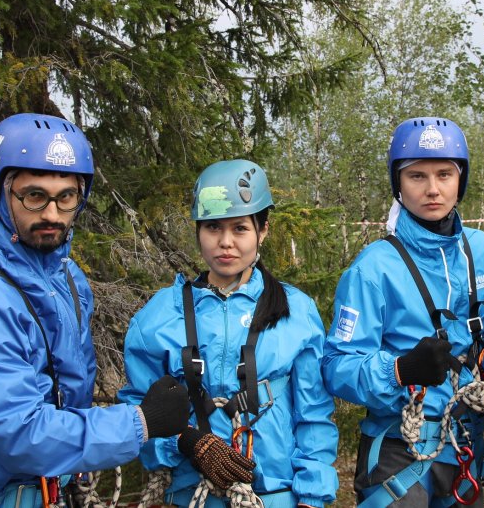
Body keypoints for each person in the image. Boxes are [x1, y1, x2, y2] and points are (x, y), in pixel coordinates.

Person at [0, 113, 190, 508]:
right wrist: (140, 422)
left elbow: (66, 396)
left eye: (66, 197)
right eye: (34, 195)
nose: (51, 214)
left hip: (51, 492)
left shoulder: (66, 279)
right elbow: (20, 434)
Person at [118, 159, 338, 508]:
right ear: (198, 231)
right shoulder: (160, 316)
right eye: (212, 228)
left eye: (239, 229)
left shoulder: (295, 313)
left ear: (263, 229)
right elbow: (137, 414)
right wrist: (182, 442)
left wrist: (312, 496)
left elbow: (313, 414)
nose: (225, 243)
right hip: (191, 496)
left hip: (275, 496)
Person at [322, 116, 484, 507]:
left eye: (444, 174)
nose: (432, 189)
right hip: (398, 447)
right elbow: (336, 365)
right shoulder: (373, 268)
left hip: (464, 446)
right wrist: (399, 370)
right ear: (398, 185)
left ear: (461, 179)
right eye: (416, 176)